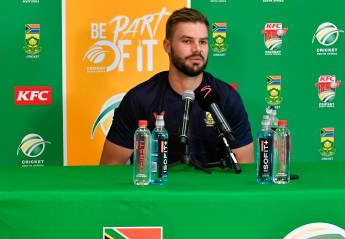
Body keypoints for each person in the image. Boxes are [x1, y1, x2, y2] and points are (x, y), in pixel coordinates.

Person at [100, 7, 253, 167]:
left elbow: (244, 165)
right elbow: (110, 166)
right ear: (167, 46)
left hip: (213, 191)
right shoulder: (140, 98)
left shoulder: (226, 98)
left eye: (203, 42)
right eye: (187, 41)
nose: (197, 49)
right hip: (158, 190)